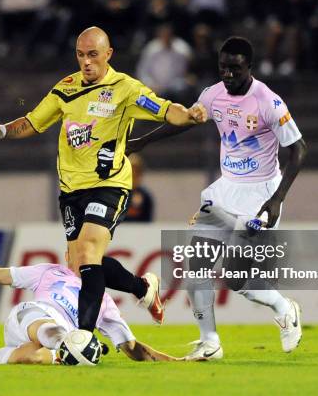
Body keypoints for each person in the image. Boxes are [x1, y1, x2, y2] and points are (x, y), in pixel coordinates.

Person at [0, 26, 208, 334]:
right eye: (81, 55)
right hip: (71, 191)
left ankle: (83, 336)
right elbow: (32, 121)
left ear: (108, 54)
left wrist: (190, 114)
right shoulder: (66, 88)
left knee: (86, 253)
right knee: (79, 267)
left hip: (109, 185)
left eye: (93, 55)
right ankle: (142, 288)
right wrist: (0, 130)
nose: (86, 62)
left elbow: (166, 110)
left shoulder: (126, 88)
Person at [127, 36, 308, 359]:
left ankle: (283, 308)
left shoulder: (267, 100)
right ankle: (210, 342)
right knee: (196, 268)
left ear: (249, 67)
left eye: (235, 69)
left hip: (261, 194)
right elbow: (183, 123)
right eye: (223, 68)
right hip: (225, 191)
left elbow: (298, 149)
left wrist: (278, 198)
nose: (228, 75)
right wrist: (142, 141)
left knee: (237, 279)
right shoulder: (212, 95)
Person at [0, 238, 181, 364]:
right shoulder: (48, 272)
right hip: (31, 318)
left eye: (84, 251)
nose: (78, 256)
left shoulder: (104, 302)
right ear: (66, 256)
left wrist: (175, 362)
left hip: (48, 340)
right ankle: (71, 345)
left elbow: (131, 347)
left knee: (38, 357)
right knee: (56, 335)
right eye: (73, 252)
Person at [125, 154, 154, 222]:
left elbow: (147, 221)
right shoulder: (116, 194)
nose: (133, 175)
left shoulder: (145, 196)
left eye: (136, 172)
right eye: (130, 171)